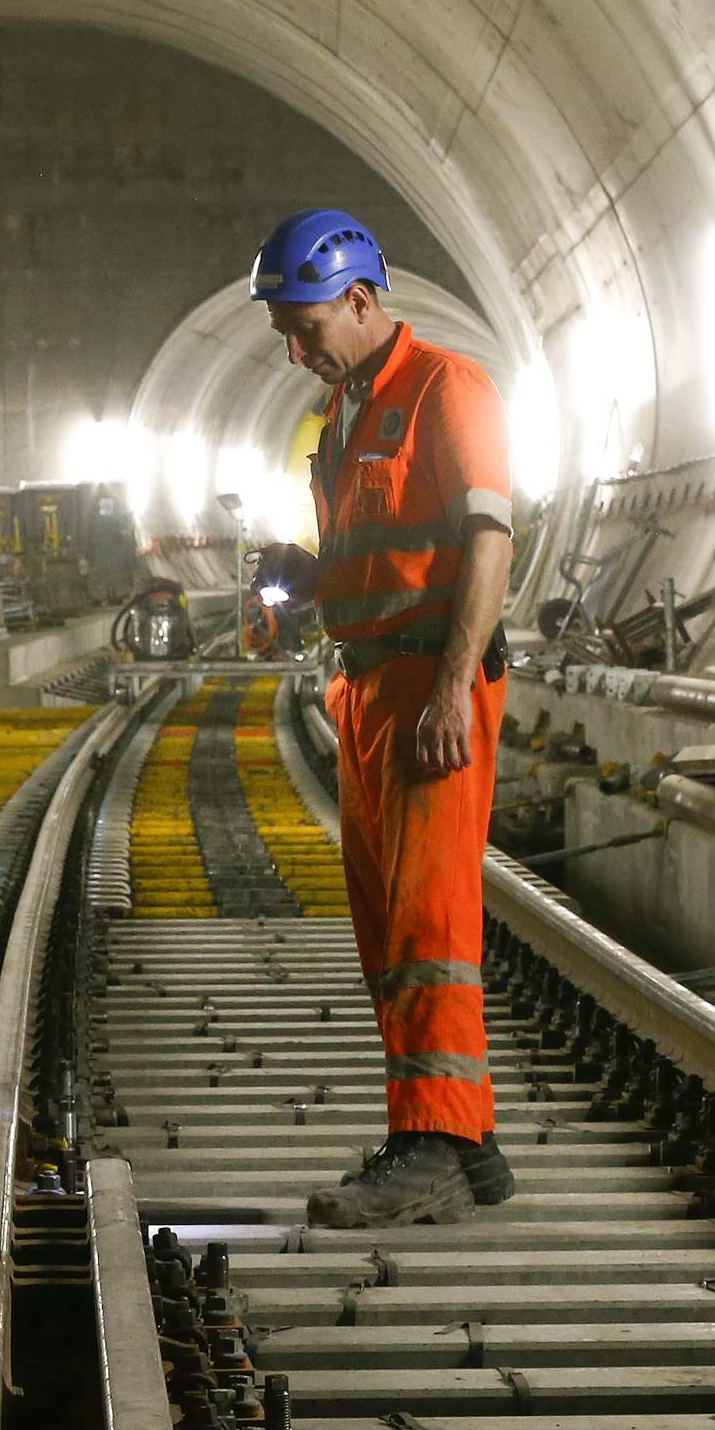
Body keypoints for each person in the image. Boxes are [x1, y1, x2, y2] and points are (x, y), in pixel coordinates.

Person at [241, 208, 518, 1227]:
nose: (293, 345)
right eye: (283, 327)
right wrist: (305, 580)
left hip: (426, 687)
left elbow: (487, 537)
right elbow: (380, 556)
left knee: (425, 920)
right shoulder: (342, 416)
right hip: (365, 685)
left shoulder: (449, 388)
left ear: (360, 299)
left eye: (304, 323)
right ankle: (467, 1134)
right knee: (384, 924)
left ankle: (430, 1145)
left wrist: (452, 685)